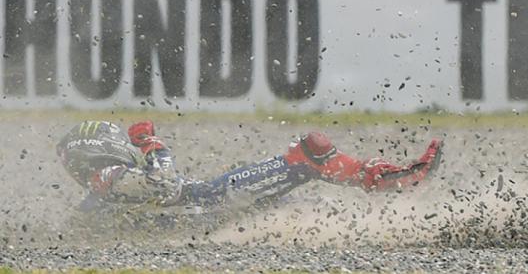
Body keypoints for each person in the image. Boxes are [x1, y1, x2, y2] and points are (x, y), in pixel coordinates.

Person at [56, 120, 444, 210]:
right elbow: (166, 187)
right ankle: (391, 180)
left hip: (198, 207)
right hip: (202, 205)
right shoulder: (106, 175)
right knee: (308, 152)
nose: (126, 146)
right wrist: (151, 143)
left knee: (300, 196)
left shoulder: (100, 187)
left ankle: (386, 182)